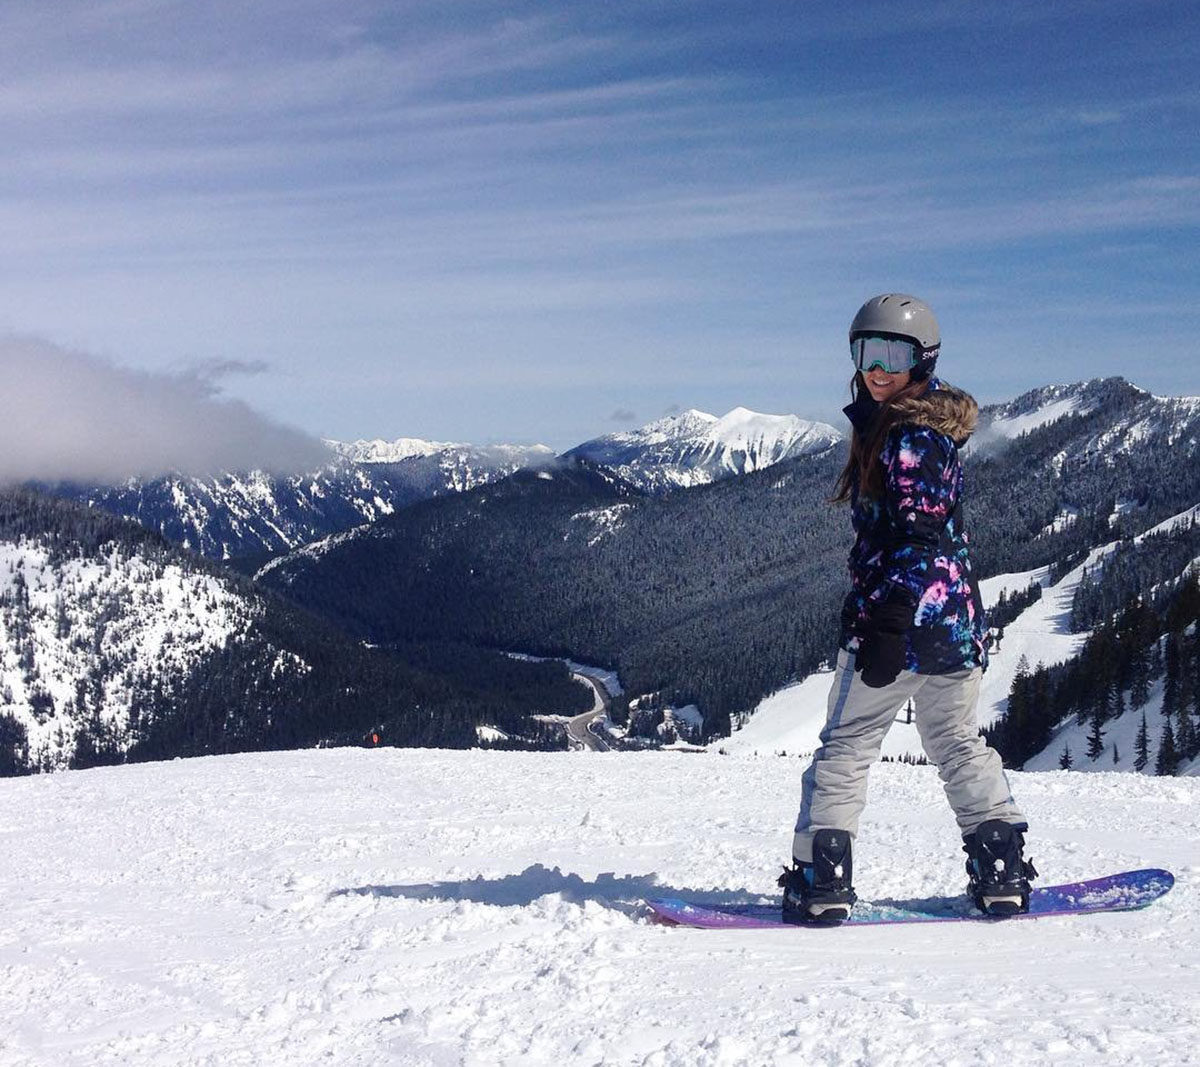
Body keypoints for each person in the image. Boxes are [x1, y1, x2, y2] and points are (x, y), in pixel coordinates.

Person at [779, 293, 1036, 923]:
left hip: (900, 623)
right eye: (867, 351)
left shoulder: (908, 437)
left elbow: (915, 535)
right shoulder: (920, 427)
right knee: (957, 742)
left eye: (894, 353)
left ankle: (821, 880)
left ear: (924, 359)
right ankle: (999, 868)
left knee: (847, 746)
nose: (878, 368)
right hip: (955, 627)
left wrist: (890, 620)